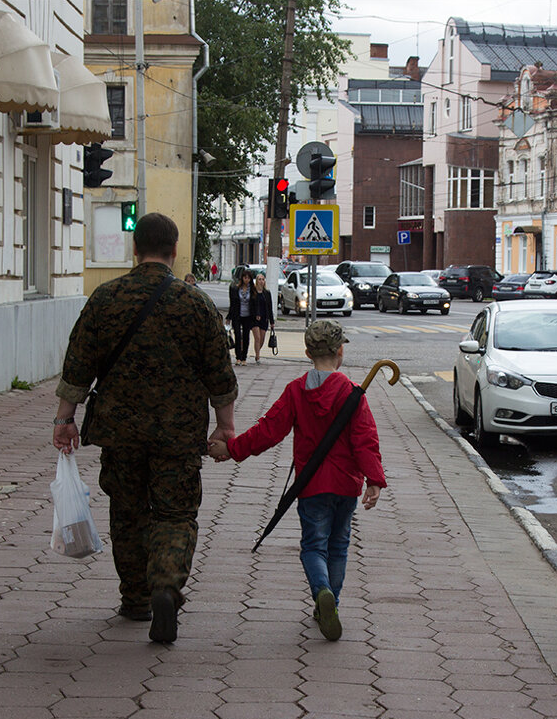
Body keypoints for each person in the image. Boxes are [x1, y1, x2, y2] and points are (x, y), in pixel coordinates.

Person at [52, 212, 237, 644]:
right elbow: (220, 375)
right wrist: (225, 428)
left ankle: (135, 598)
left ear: (135, 249)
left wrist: (65, 419)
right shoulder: (196, 304)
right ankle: (166, 586)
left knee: (128, 512)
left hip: (120, 431)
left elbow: (78, 364)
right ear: (174, 252)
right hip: (179, 432)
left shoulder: (106, 297)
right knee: (175, 512)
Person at [207, 320, 385, 641]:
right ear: (340, 351)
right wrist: (374, 480)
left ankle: (321, 593)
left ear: (306, 353)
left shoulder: (296, 391)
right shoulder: (352, 394)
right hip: (346, 486)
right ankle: (331, 603)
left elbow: (268, 431)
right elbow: (365, 440)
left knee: (313, 547)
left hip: (312, 486)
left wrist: (232, 448)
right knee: (339, 546)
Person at [226, 269, 255, 366]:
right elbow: (233, 304)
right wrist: (229, 316)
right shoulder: (236, 289)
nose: (246, 280)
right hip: (237, 315)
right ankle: (238, 357)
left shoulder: (252, 290)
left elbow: (255, 303)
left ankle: (244, 357)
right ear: (242, 278)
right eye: (245, 278)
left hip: (248, 316)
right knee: (237, 335)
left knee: (246, 336)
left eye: (248, 278)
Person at [249, 273, 274, 363]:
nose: (261, 281)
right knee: (257, 338)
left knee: (262, 339)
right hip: (254, 319)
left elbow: (269, 307)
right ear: (256, 281)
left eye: (263, 279)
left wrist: (272, 321)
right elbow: (251, 306)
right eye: (259, 279)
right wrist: (256, 314)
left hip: (264, 318)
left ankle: (257, 352)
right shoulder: (253, 292)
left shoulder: (266, 293)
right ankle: (258, 357)